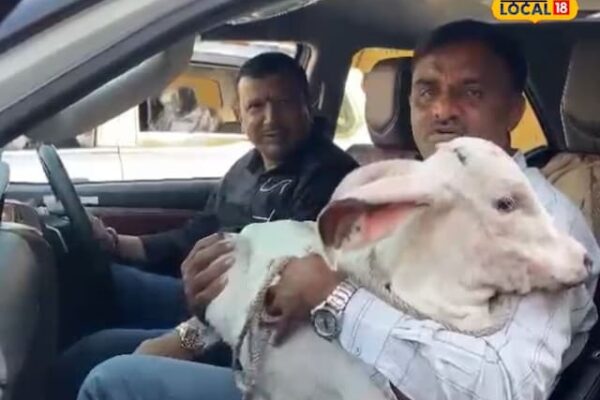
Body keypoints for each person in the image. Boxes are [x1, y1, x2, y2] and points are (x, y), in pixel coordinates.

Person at [77, 20, 600, 400]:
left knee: (113, 381)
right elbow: (297, 268)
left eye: (472, 92)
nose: (442, 109)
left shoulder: (538, 223)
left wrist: (334, 296)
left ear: (513, 109)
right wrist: (203, 320)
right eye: (426, 92)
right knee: (100, 354)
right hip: (304, 364)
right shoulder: (403, 189)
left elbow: (501, 388)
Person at [49, 52, 358, 400]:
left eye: (283, 103)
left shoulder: (331, 180)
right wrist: (119, 242)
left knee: (98, 361)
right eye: (256, 106)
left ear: (307, 104)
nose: (271, 118)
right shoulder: (246, 168)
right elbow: (197, 232)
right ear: (239, 114)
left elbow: (281, 297)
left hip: (250, 335)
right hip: (207, 301)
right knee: (98, 292)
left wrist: (186, 339)